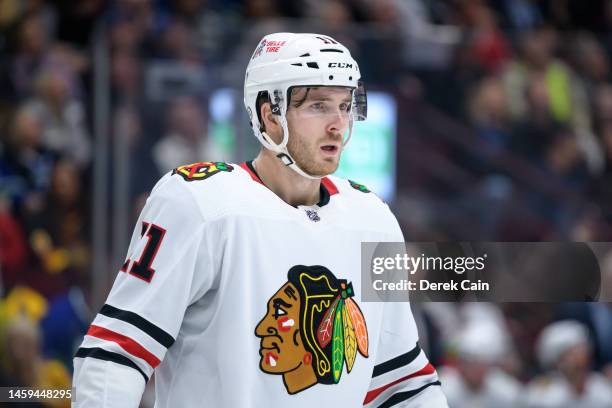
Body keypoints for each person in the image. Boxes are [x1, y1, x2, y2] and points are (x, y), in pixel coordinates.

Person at [72, 32, 447, 407]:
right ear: (270, 114)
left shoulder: (373, 219)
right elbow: (116, 353)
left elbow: (402, 380)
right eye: (318, 106)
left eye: (345, 105)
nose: (338, 124)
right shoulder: (196, 202)